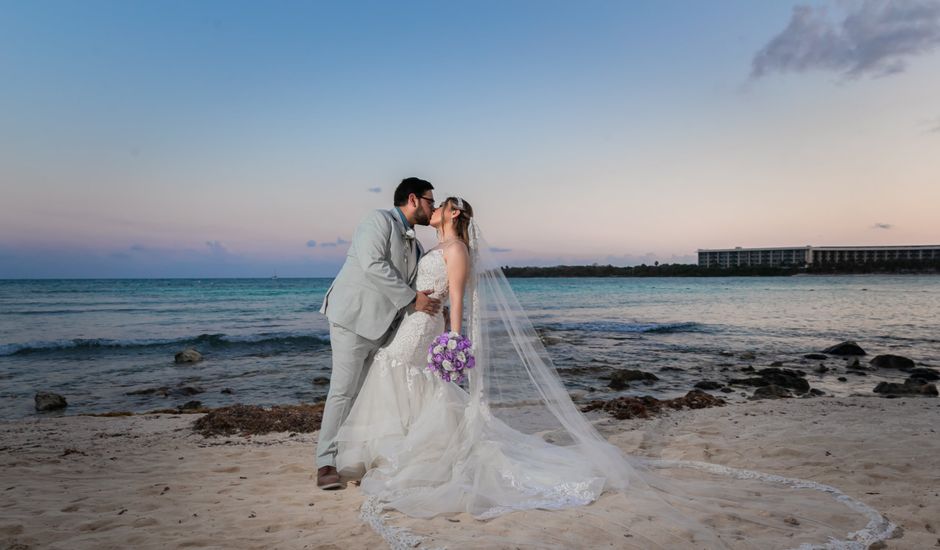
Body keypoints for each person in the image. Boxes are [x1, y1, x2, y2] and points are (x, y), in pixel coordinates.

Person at [329, 196, 895, 549]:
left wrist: (453, 336)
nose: (438, 209)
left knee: (400, 374)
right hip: (417, 322)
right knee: (397, 375)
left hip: (432, 326)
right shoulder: (434, 242)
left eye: (444, 206)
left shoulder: (455, 252)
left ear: (455, 216)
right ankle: (395, 447)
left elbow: (456, 298)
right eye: (435, 204)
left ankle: (400, 452)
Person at [315, 177, 441, 490]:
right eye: (430, 201)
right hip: (353, 319)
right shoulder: (378, 220)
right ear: (413, 199)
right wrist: (413, 299)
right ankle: (325, 463)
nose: (433, 207)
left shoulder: (417, 244)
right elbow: (373, 264)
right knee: (344, 390)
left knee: (366, 395)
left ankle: (354, 456)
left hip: (385, 329)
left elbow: (412, 283)